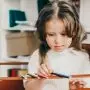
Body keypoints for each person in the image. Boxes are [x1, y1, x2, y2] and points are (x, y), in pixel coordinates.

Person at [24, 0, 90, 90]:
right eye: (51, 34)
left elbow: (86, 86)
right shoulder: (38, 55)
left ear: (74, 31)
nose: (58, 41)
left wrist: (74, 87)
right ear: (43, 34)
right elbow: (28, 87)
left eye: (64, 34)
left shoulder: (82, 57)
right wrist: (40, 79)